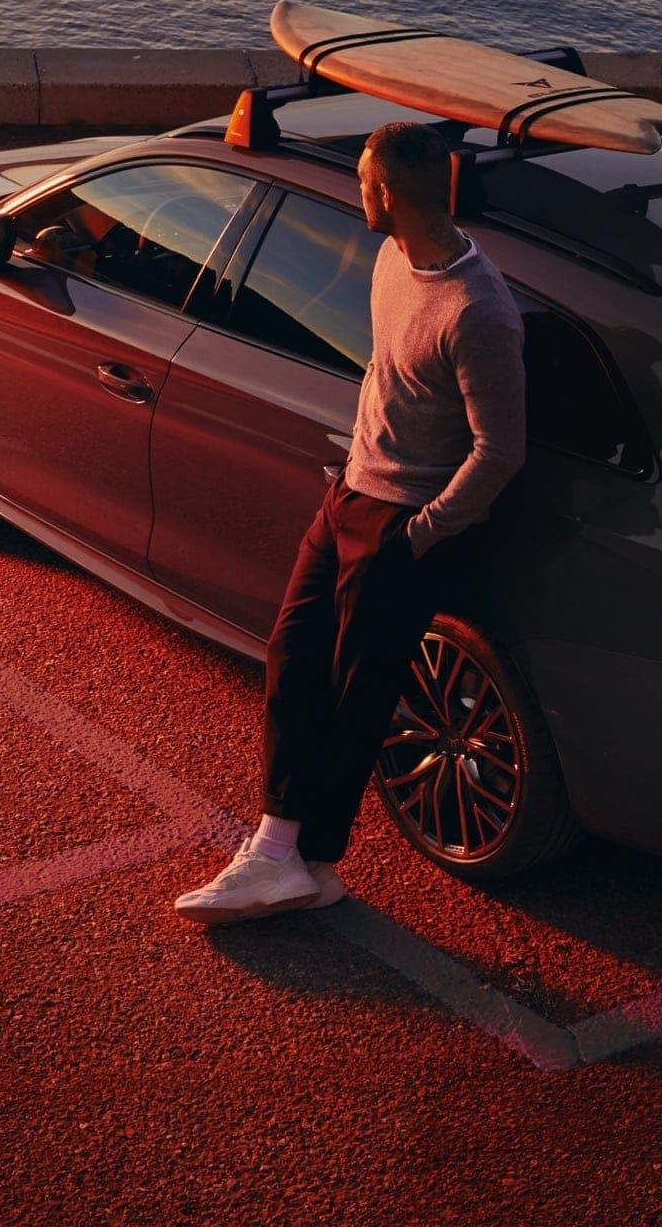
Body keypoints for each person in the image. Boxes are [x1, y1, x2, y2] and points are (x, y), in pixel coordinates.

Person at [175, 121, 527, 924]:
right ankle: (284, 857)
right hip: (348, 495)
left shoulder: (480, 313)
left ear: (388, 193)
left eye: (364, 179)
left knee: (351, 696)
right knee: (292, 659)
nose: (357, 192)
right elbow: (386, 372)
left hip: (402, 523)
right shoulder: (391, 256)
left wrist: (422, 533)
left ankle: (291, 858)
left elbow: (501, 450)